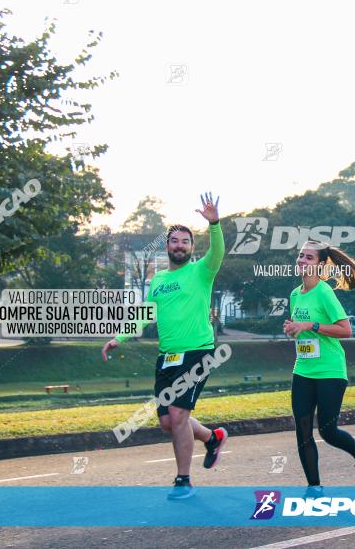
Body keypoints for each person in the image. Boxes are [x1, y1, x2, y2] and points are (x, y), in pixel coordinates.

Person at [102, 192, 227, 500]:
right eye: (175, 241)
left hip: (198, 351)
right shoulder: (157, 280)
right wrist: (119, 337)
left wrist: (214, 224)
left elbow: (218, 252)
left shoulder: (202, 270)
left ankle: (183, 480)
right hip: (167, 357)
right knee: (167, 423)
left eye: (185, 241)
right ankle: (212, 437)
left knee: (179, 415)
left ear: (191, 247)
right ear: (167, 246)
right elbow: (145, 316)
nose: (180, 245)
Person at [283, 240, 355, 497]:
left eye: (309, 258)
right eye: (300, 255)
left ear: (321, 265)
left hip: (330, 372)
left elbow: (346, 330)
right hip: (303, 369)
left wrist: (311, 325)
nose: (302, 261)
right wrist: (294, 330)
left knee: (327, 430)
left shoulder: (324, 292)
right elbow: (302, 332)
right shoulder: (294, 294)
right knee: (302, 429)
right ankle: (314, 487)